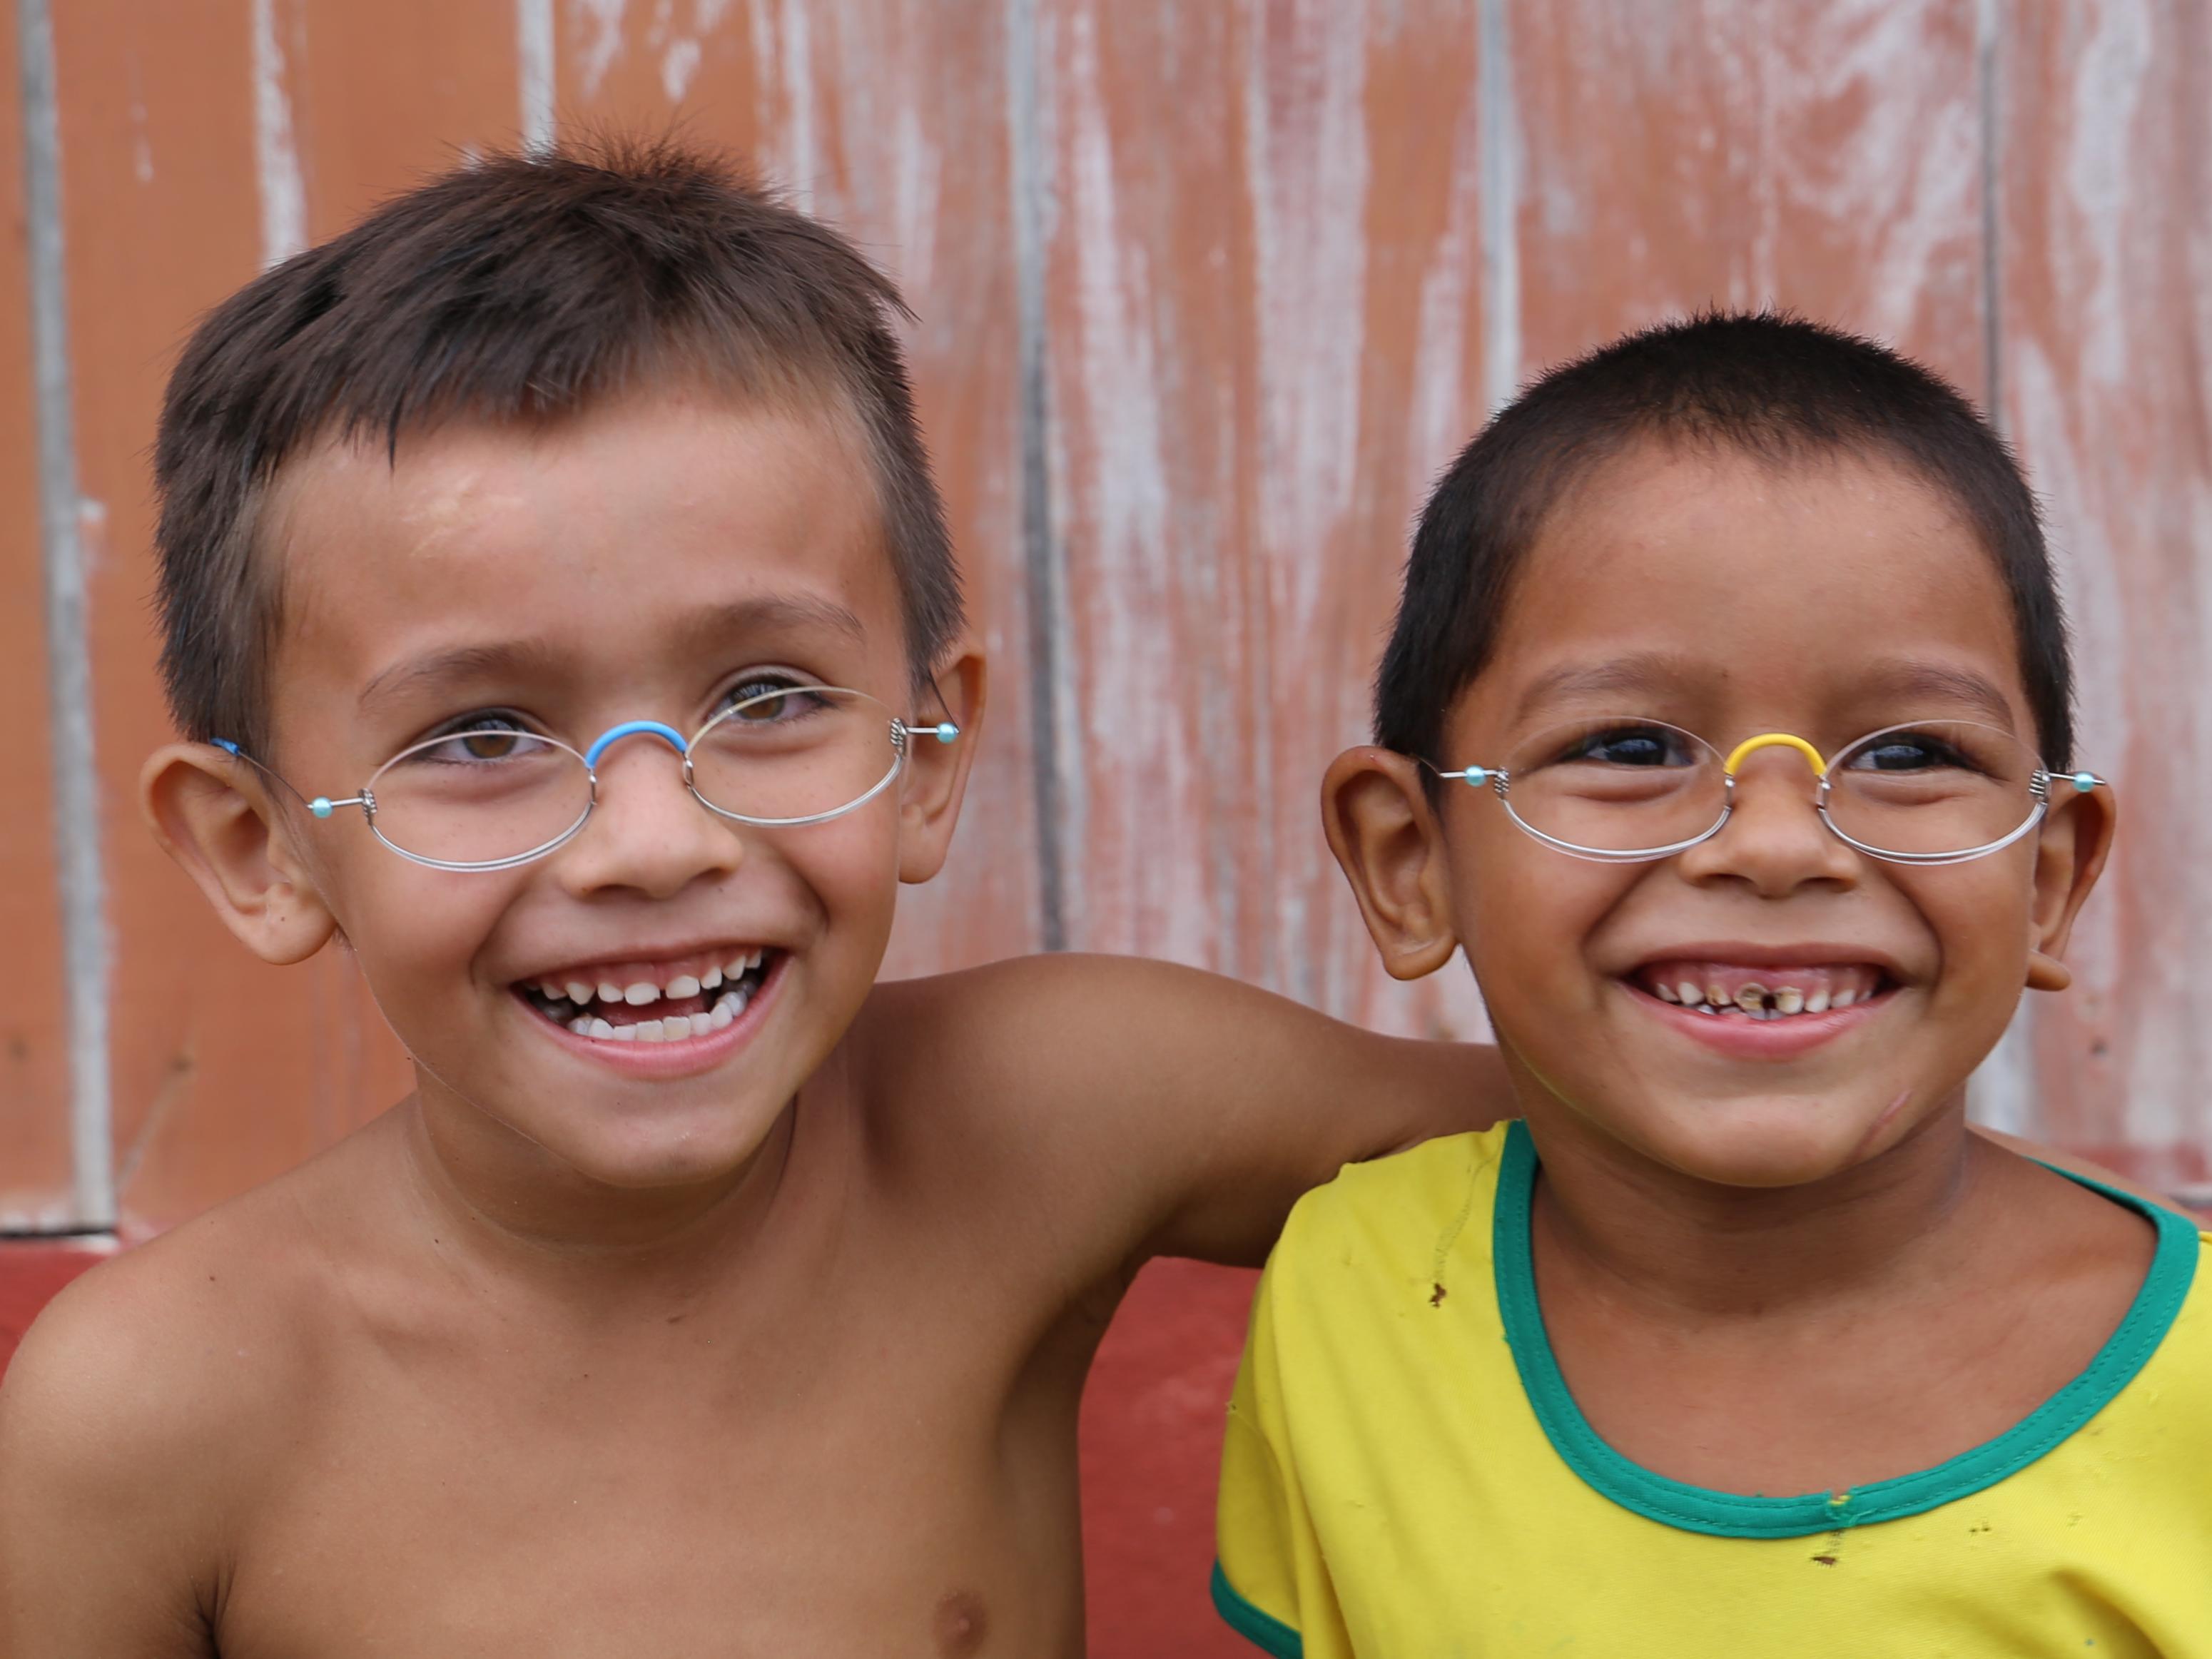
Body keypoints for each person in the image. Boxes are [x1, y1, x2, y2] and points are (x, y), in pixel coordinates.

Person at [0, 140, 1508, 1657]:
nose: (652, 840)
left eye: (769, 695)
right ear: (260, 847)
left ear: (924, 753)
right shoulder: (158, 1406)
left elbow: (1613, 1150)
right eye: (479, 735)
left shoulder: (1055, 1116)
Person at [1211, 312, 2212, 1655]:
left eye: (1911, 753)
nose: (1778, 843)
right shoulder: (1361, 1289)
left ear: (2046, 877)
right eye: (1628, 742)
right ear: (1410, 862)